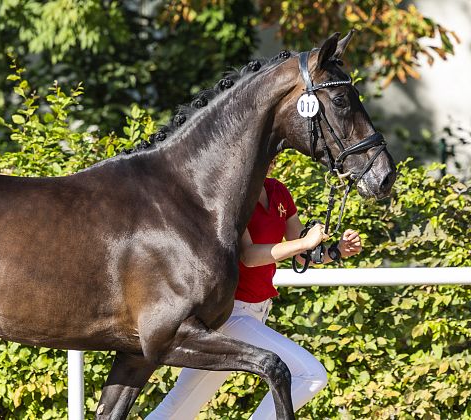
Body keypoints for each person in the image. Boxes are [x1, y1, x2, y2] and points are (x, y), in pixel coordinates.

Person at [147, 161, 362, 419]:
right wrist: (305, 242)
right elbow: (249, 255)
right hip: (233, 313)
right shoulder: (234, 197)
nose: (269, 161)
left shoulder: (278, 191)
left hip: (256, 313)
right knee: (311, 374)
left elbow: (302, 255)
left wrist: (336, 251)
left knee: (178, 409)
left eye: (273, 155)